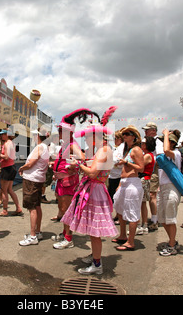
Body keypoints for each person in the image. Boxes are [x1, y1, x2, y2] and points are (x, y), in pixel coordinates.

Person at [61, 106, 117, 274]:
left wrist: (78, 165)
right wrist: (77, 166)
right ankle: (95, 255)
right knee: (92, 229)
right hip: (91, 189)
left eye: (87, 136)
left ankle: (97, 265)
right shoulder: (99, 150)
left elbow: (93, 173)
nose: (85, 139)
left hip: (95, 190)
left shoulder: (105, 150)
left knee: (94, 230)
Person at [52, 120, 85, 249]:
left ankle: (68, 238)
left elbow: (82, 158)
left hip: (68, 183)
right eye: (59, 130)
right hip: (62, 181)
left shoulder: (71, 144)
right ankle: (65, 233)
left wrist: (73, 166)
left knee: (66, 210)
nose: (59, 132)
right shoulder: (65, 144)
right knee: (62, 209)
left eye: (61, 130)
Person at [113, 125, 145, 251]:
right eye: (123, 134)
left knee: (132, 212)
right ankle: (122, 235)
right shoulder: (129, 149)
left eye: (127, 134)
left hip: (132, 183)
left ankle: (130, 241)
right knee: (120, 209)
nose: (124, 136)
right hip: (125, 182)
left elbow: (141, 168)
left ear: (133, 136)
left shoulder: (136, 149)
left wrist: (126, 162)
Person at [18, 128, 50, 246]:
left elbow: (31, 163)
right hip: (38, 179)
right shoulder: (45, 147)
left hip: (32, 180)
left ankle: (32, 236)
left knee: (32, 207)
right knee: (36, 205)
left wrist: (22, 168)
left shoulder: (40, 147)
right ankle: (37, 231)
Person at [157, 129, 183, 256]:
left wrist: (166, 134)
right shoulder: (164, 154)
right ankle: (172, 241)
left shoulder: (176, 154)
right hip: (163, 187)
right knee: (162, 218)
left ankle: (172, 245)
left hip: (172, 187)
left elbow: (167, 150)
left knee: (170, 219)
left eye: (166, 141)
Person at [0, 130, 23, 216]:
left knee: (4, 190)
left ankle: (4, 210)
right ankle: (18, 207)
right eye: (0, 134)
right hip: (11, 167)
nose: (1, 136)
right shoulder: (10, 143)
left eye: (2, 134)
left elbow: (7, 157)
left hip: (7, 168)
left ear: (7, 135)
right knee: (9, 190)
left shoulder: (7, 144)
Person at [142, 122, 163, 231]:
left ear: (154, 130)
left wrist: (149, 161)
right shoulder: (151, 141)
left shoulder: (157, 142)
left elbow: (159, 156)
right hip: (149, 168)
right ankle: (153, 218)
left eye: (147, 130)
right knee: (148, 196)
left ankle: (155, 219)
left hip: (153, 169)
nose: (145, 131)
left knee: (152, 195)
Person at [137, 136, 156, 235]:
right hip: (144, 179)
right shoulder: (147, 154)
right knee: (142, 203)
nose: (142, 144)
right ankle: (143, 224)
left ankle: (143, 224)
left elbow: (139, 165)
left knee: (142, 203)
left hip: (144, 179)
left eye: (144, 143)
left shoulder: (148, 155)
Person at [108, 129, 124, 203]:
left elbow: (119, 160)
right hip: (113, 175)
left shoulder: (122, 147)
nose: (114, 140)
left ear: (119, 139)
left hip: (118, 175)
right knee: (111, 196)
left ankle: (118, 214)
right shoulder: (116, 148)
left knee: (117, 198)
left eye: (114, 139)